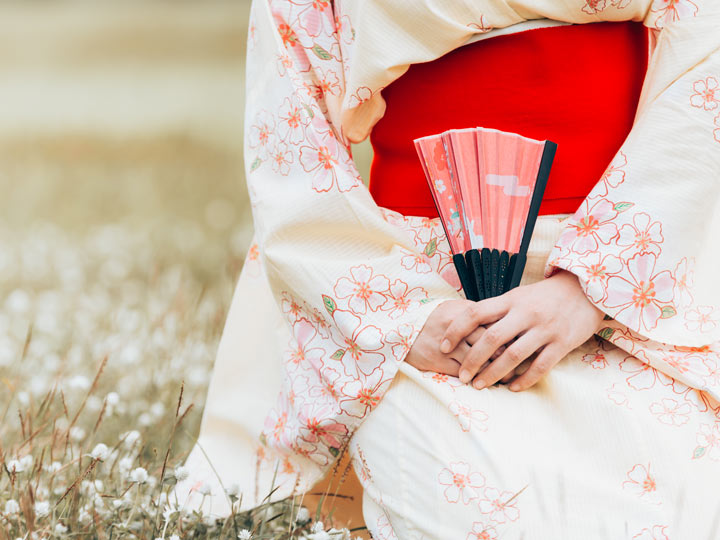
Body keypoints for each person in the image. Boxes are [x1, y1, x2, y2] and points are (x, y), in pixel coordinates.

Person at [173, 1, 720, 538]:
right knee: (479, 515)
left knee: (678, 511)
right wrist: (404, 320)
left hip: (624, 281)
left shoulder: (605, 284)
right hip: (423, 294)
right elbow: (294, 148)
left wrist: (586, 290)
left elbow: (708, 52)